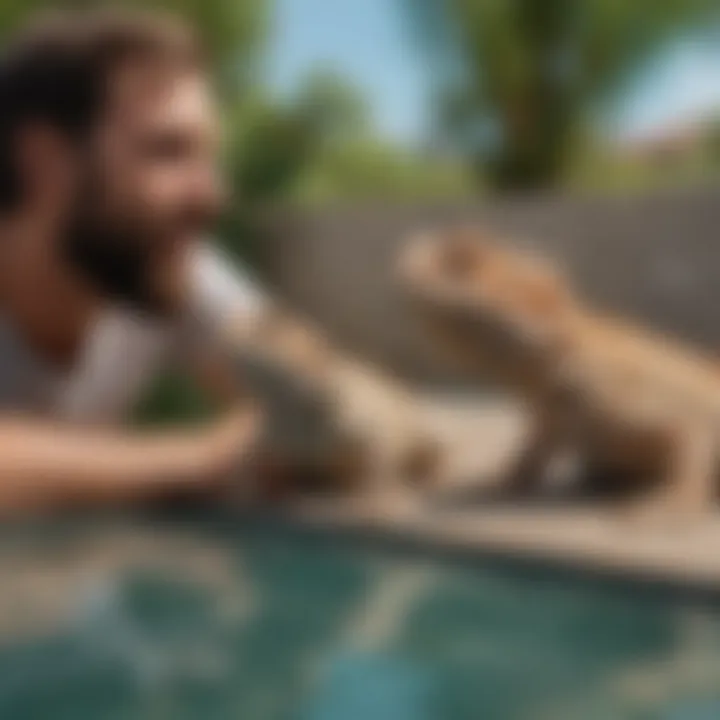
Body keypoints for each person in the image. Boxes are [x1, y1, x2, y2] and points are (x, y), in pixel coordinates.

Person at [0, 8, 276, 513]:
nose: (212, 195)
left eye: (208, 157)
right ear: (45, 160)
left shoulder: (161, 265)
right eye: (168, 151)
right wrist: (207, 459)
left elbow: (307, 397)